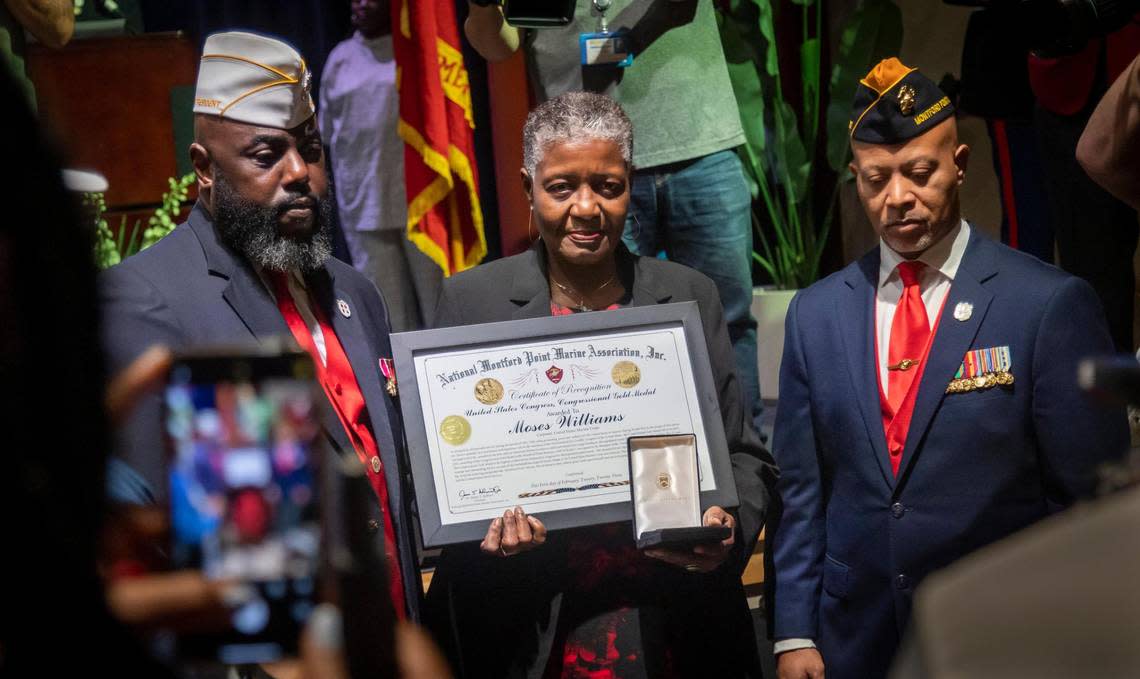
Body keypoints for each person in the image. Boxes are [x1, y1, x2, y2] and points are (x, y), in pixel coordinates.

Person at [768, 58, 1129, 679]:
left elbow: (1091, 496)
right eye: (876, 179)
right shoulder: (816, 314)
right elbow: (804, 492)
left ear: (959, 164)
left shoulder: (1043, 305)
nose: (898, 197)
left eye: (919, 173)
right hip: (859, 639)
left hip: (1005, 633)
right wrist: (794, 633)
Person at [423, 90, 777, 678]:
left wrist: (726, 522)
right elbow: (449, 472)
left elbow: (743, 453)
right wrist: (482, 528)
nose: (585, 207)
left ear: (630, 185)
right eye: (561, 187)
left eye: (607, 186)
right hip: (532, 625)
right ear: (527, 188)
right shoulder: (471, 301)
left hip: (672, 620)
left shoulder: (689, 294)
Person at [99, 31, 423, 622]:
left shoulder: (356, 292)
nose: (299, 172)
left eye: (311, 148)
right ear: (203, 169)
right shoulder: (142, 300)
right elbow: (161, 539)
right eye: (266, 155)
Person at [465, 0, 764, 434]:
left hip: (699, 138)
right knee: (604, 328)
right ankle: (610, 469)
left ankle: (742, 469)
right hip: (587, 165)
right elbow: (497, 44)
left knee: (727, 320)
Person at [319, 0, 441, 332]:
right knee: (386, 309)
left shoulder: (415, 52)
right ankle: (397, 382)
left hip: (419, 200)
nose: (360, 4)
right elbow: (325, 132)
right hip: (363, 202)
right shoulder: (339, 60)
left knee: (437, 302)